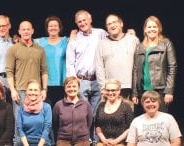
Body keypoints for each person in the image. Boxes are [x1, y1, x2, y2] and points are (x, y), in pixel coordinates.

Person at [66, 10, 107, 144]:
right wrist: (73, 79)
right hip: (81, 80)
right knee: (82, 113)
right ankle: (83, 140)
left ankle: (95, 140)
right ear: (76, 24)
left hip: (97, 80)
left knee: (97, 113)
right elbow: (70, 61)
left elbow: (113, 40)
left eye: (84, 20)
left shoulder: (100, 33)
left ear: (90, 20)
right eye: (79, 22)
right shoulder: (74, 38)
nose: (82, 23)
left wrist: (130, 33)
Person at [6, 20, 48, 145]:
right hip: (20, 91)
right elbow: (9, 71)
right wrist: (13, 90)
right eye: (23, 29)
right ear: (19, 32)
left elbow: (44, 71)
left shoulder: (40, 50)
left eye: (28, 29)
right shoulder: (13, 49)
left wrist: (44, 89)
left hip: (36, 91)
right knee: (20, 122)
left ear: (32, 31)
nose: (25, 31)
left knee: (37, 121)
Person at [132, 16, 177, 116]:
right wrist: (135, 93)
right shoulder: (139, 47)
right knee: (147, 122)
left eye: (154, 27)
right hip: (143, 91)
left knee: (161, 121)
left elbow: (172, 68)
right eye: (149, 27)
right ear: (145, 29)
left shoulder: (166, 44)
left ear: (159, 28)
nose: (152, 29)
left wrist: (169, 91)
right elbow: (135, 70)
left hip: (160, 91)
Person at [95, 14, 139, 100]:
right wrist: (103, 88)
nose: (112, 25)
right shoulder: (101, 43)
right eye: (109, 24)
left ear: (121, 24)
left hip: (128, 88)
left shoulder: (133, 40)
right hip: (109, 90)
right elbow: (99, 67)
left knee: (128, 113)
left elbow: (138, 65)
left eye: (114, 22)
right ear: (107, 28)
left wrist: (136, 90)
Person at [34, 16, 68, 108]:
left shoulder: (66, 41)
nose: (53, 28)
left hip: (62, 83)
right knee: (47, 111)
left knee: (61, 113)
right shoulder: (39, 42)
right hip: (45, 84)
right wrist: (16, 37)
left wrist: (74, 32)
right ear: (47, 28)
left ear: (60, 28)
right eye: (50, 26)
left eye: (55, 25)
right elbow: (26, 40)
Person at [53, 76, 93, 146]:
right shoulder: (58, 105)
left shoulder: (86, 104)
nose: (71, 89)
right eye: (69, 86)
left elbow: (89, 123)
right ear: (65, 89)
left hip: (82, 140)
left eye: (74, 86)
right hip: (63, 140)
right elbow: (55, 124)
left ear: (78, 88)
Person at [95, 79, 133, 146]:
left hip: (120, 143)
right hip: (103, 142)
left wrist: (116, 141)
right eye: (108, 90)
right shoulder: (101, 105)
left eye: (113, 90)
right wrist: (104, 140)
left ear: (119, 91)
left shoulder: (126, 107)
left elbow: (130, 128)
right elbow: (97, 126)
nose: (110, 93)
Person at [17, 79, 53, 146]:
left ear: (40, 92)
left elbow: (47, 128)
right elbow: (20, 129)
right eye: (30, 90)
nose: (33, 92)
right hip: (25, 143)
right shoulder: (21, 109)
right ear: (26, 91)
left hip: (43, 143)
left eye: (35, 90)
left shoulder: (46, 107)